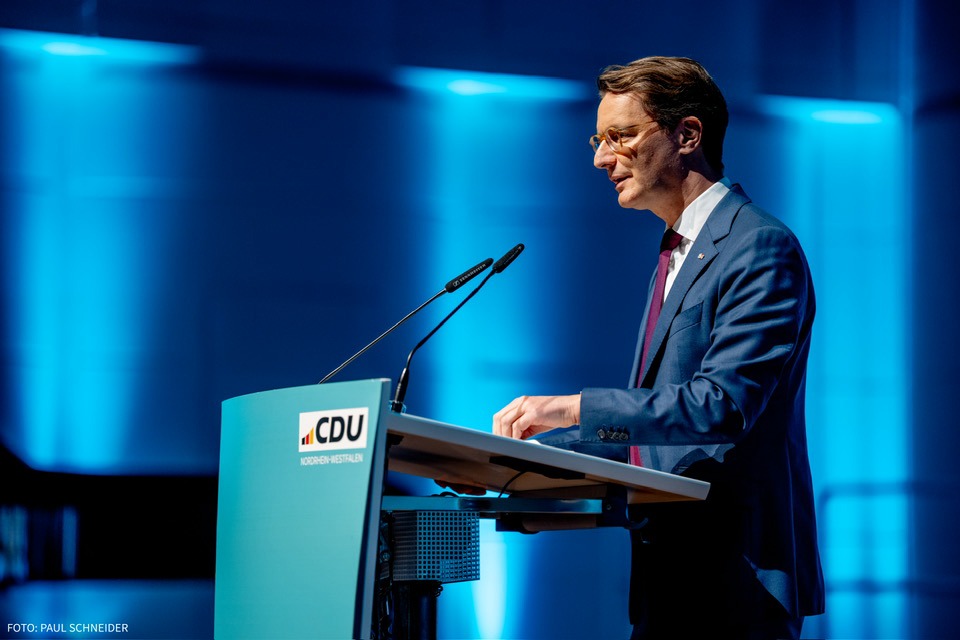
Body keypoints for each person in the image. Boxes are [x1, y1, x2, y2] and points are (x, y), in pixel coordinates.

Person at [492, 56, 825, 639]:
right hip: (669, 576)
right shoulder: (675, 253)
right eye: (598, 140)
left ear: (687, 135)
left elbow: (720, 405)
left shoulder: (759, 246)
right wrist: (516, 463)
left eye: (620, 136)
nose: (601, 158)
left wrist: (571, 408)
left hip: (736, 579)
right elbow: (649, 434)